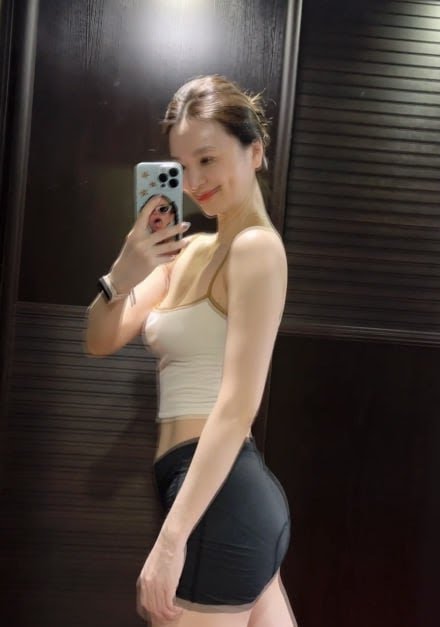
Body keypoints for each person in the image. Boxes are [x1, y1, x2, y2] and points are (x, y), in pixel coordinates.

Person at [86, 75, 296, 627]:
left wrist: (170, 542)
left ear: (255, 152)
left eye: (208, 159)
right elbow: (99, 339)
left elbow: (238, 406)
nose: (195, 181)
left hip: (218, 501)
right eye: (183, 165)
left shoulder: (255, 249)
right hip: (214, 496)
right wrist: (122, 274)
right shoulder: (189, 252)